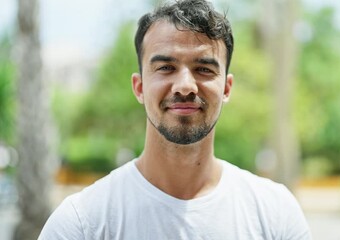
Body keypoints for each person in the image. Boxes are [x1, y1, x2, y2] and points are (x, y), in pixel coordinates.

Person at [39, 0, 311, 239]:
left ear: (226, 88)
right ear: (140, 87)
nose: (185, 86)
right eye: (166, 68)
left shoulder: (275, 213)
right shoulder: (82, 223)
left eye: (203, 69)